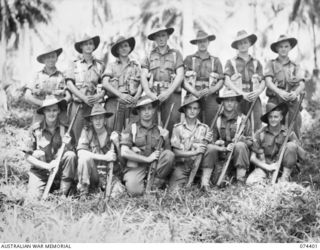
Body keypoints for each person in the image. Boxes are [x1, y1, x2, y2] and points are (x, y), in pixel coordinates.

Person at [23, 96, 76, 198]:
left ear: (59, 111)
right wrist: (47, 166)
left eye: (54, 110)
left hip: (60, 173)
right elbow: (27, 157)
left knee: (71, 155)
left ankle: (63, 193)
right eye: (48, 110)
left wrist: (68, 144)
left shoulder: (66, 130)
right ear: (43, 112)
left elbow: (73, 157)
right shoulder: (35, 130)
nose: (52, 113)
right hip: (40, 172)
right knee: (32, 198)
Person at [120, 96, 175, 196]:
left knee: (169, 155)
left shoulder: (159, 128)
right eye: (143, 109)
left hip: (155, 166)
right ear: (139, 111)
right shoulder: (131, 127)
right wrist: (147, 159)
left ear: (153, 110)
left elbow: (168, 154)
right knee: (134, 192)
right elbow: (124, 152)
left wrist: (166, 139)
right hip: (137, 165)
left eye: (149, 108)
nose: (146, 112)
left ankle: (154, 185)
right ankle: (141, 183)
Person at [246, 102, 306, 185]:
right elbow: (252, 158)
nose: (273, 119)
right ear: (267, 118)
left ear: (281, 117)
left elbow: (303, 155)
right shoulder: (260, 133)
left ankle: (284, 179)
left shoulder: (289, 133)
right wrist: (268, 167)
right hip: (265, 166)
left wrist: (294, 145)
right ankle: (267, 180)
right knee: (250, 182)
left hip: (283, 168)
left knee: (291, 145)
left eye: (276, 117)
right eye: (270, 117)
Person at [141, 26, 184, 134]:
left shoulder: (175, 53)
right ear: (154, 38)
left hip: (171, 92)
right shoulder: (149, 55)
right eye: (158, 36)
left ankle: (170, 149)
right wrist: (149, 93)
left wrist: (168, 92)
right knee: (151, 122)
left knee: (172, 121)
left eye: (163, 35)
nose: (161, 39)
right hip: (153, 93)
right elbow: (143, 75)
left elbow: (180, 74)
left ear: (168, 36)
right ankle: (153, 149)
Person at [169, 94, 214, 191]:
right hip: (183, 166)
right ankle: (188, 182)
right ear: (184, 110)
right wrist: (195, 152)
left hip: (200, 165)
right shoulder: (177, 128)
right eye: (189, 108)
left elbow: (211, 152)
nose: (192, 111)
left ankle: (204, 182)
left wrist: (214, 143)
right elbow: (176, 153)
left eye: (195, 108)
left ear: (198, 111)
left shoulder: (205, 128)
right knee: (173, 191)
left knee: (211, 148)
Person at [77, 104, 124, 196]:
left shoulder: (113, 134)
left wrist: (117, 144)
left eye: (100, 118)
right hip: (92, 174)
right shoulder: (87, 132)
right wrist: (104, 157)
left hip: (109, 173)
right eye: (95, 118)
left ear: (105, 119)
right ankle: (83, 193)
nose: (98, 121)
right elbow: (80, 153)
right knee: (84, 159)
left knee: (117, 194)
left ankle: (101, 191)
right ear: (91, 120)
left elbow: (123, 161)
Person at [66, 35, 105, 144]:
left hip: (94, 107)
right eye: (85, 44)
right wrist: (83, 98)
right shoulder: (74, 64)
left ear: (93, 46)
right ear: (81, 47)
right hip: (78, 105)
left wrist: (99, 96)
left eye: (90, 43)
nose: (88, 46)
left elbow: (105, 86)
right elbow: (69, 84)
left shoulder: (100, 65)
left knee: (93, 136)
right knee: (76, 136)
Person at [264, 34, 305, 138]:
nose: (283, 49)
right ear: (277, 48)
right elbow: (268, 81)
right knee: (274, 124)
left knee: (295, 124)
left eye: (286, 46)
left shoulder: (295, 66)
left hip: (291, 100)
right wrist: (280, 92)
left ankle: (296, 146)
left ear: (290, 48)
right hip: (275, 99)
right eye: (281, 46)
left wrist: (295, 93)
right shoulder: (271, 63)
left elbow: (302, 83)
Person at [224, 30, 265, 133]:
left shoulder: (256, 62)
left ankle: (255, 147)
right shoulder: (231, 62)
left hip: (253, 97)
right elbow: (226, 80)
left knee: (257, 125)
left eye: (245, 42)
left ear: (250, 43)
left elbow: (264, 80)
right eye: (240, 43)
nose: (243, 45)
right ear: (237, 45)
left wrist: (258, 92)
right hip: (237, 98)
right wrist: (241, 93)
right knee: (237, 125)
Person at [210, 87, 252, 184]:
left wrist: (242, 139)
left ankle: (240, 180)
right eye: (226, 100)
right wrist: (218, 143)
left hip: (240, 156)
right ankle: (229, 175)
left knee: (240, 145)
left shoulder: (243, 120)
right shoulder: (217, 119)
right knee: (218, 182)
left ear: (236, 103)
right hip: (223, 156)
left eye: (232, 101)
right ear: (222, 103)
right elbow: (211, 141)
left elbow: (251, 142)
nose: (229, 103)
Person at [102, 36, 142, 132]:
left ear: (129, 48)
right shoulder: (111, 66)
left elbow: (142, 83)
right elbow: (105, 83)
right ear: (117, 50)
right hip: (115, 101)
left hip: (132, 102)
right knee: (111, 127)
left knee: (133, 130)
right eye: (120, 47)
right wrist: (120, 95)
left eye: (126, 46)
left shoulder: (136, 66)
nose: (124, 48)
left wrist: (136, 97)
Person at [183, 30, 224, 125]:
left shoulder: (216, 60)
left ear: (208, 42)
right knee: (192, 123)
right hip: (193, 96)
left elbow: (221, 80)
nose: (202, 44)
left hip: (211, 96)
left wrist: (212, 90)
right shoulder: (189, 59)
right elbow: (182, 79)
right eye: (200, 41)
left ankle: (211, 139)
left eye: (204, 41)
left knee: (212, 124)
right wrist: (194, 92)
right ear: (196, 43)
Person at [24, 47, 71, 123]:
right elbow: (27, 96)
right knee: (38, 133)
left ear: (56, 58)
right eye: (48, 57)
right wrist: (42, 104)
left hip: (58, 115)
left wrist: (59, 105)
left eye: (53, 57)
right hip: (40, 115)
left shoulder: (62, 76)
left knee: (62, 133)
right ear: (43, 60)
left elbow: (68, 96)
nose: (51, 59)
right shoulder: (36, 76)